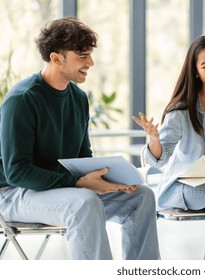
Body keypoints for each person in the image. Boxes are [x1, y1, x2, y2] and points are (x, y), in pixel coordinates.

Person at [0, 17, 160, 260]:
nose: (91, 63)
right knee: (84, 202)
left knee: (142, 196)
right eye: (82, 56)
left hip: (62, 190)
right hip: (13, 194)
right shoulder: (22, 100)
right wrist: (78, 183)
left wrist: (108, 179)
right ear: (56, 58)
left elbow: (83, 158)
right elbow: (17, 173)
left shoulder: (78, 98)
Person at [132, 34, 205, 259]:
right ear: (196, 71)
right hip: (182, 186)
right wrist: (154, 139)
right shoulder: (181, 110)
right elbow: (161, 159)